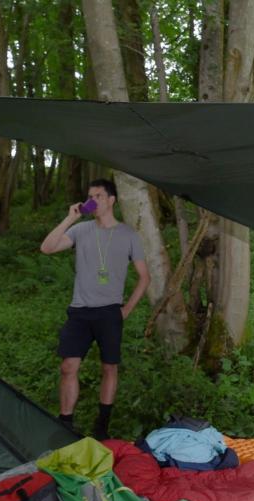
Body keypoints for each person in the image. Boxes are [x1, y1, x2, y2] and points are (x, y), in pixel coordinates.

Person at [41, 179, 150, 440]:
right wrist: (70, 218)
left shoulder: (128, 235)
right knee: (68, 366)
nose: (93, 200)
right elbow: (46, 248)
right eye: (90, 196)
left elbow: (144, 277)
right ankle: (65, 422)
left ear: (112, 200)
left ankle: (102, 425)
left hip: (110, 312)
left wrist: (126, 310)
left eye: (98, 196)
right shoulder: (81, 231)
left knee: (109, 368)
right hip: (79, 311)